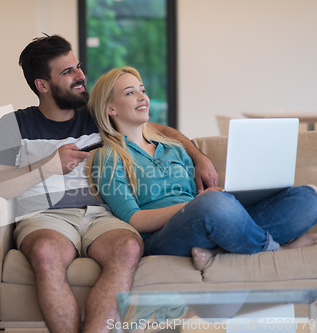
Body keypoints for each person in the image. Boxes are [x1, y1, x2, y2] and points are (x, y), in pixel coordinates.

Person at [0, 35, 218, 333]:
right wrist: (48, 167)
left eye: (77, 66)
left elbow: (160, 131)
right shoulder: (14, 124)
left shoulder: (96, 115)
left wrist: (199, 157)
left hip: (103, 214)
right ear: (42, 85)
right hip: (45, 216)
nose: (81, 76)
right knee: (45, 252)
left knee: (128, 247)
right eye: (67, 72)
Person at [87, 66, 317, 272]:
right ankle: (277, 249)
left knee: (308, 197)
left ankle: (218, 251)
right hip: (162, 237)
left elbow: (197, 195)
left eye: (142, 90)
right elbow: (133, 219)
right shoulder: (108, 156)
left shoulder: (173, 148)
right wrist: (198, 204)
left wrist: (222, 197)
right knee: (212, 205)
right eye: (130, 93)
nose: (142, 97)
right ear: (110, 109)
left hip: (203, 220)